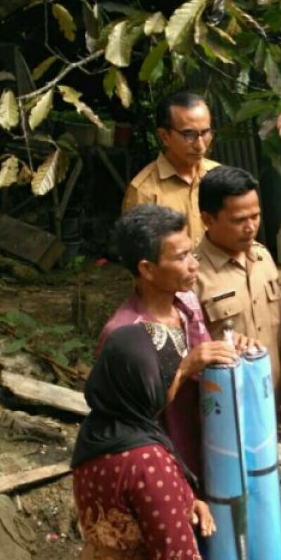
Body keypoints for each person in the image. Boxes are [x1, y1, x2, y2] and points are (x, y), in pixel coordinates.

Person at [72, 322, 230, 560]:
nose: (174, 384)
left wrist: (184, 500)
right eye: (171, 376)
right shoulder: (146, 460)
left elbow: (125, 505)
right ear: (145, 384)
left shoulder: (100, 431)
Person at [100, 204, 242, 479]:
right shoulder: (125, 334)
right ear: (148, 269)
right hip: (162, 471)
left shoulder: (187, 303)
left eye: (191, 252)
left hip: (210, 455)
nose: (194, 264)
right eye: (181, 257)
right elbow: (130, 421)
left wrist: (228, 346)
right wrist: (186, 368)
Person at [195, 166, 281, 396]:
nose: (251, 227)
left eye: (255, 216)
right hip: (225, 406)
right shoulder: (193, 275)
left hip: (271, 397)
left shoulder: (263, 257)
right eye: (239, 220)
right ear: (208, 219)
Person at [122, 92, 220, 247]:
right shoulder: (144, 191)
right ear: (164, 136)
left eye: (205, 132)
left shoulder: (218, 175)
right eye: (189, 134)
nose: (200, 145)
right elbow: (141, 259)